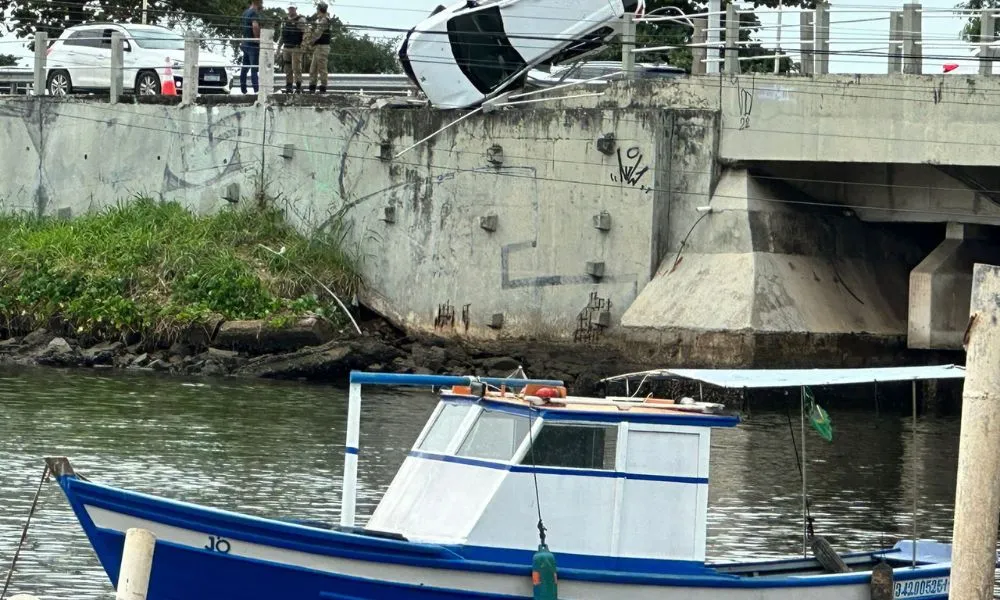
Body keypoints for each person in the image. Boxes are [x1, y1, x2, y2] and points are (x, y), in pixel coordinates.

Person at [278, 4, 308, 93]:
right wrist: (278, 48)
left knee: (296, 68)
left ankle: (298, 86)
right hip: (286, 47)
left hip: (296, 48)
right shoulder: (285, 21)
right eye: (289, 9)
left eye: (292, 8)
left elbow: (306, 33)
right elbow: (281, 36)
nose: (291, 10)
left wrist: (304, 45)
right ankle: (289, 86)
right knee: (287, 68)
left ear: (295, 9)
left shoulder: (300, 20)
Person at [306, 1, 331, 93]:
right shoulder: (320, 19)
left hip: (323, 47)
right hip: (318, 47)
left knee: (322, 68)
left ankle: (323, 87)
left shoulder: (324, 20)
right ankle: (312, 86)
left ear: (319, 9)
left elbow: (318, 33)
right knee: (313, 68)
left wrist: (310, 41)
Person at [240, 0, 263, 94]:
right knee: (254, 68)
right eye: (261, 2)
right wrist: (258, 39)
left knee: (245, 67)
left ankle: (243, 89)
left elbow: (243, 27)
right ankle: (256, 90)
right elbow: (255, 26)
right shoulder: (254, 12)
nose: (262, 4)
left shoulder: (245, 12)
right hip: (253, 44)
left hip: (245, 42)